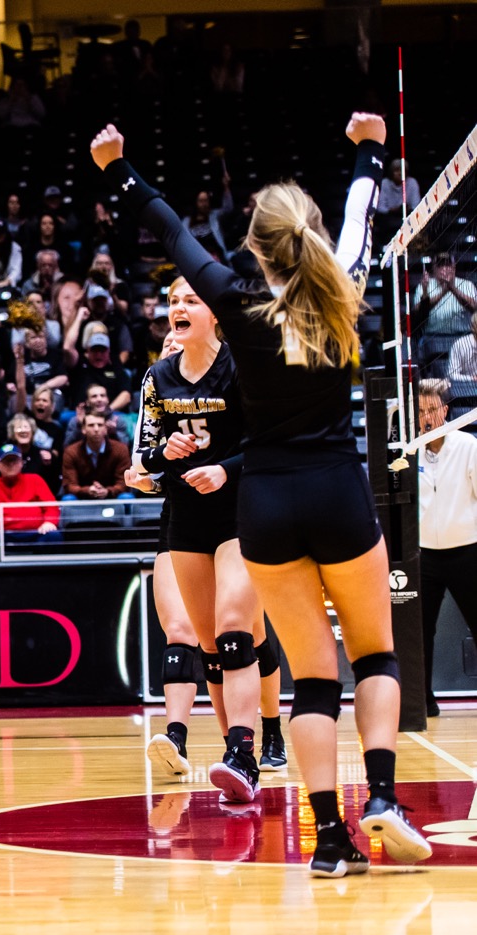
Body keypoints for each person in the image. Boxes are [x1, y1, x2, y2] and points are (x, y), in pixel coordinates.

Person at [92, 113, 431, 876]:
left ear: (255, 242)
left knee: (312, 680)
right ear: (308, 237)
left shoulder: (231, 296)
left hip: (267, 505)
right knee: (374, 654)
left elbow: (169, 229)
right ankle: (381, 795)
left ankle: (330, 840)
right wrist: (369, 150)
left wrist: (116, 166)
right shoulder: (339, 283)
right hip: (336, 490)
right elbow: (359, 216)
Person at [133, 276, 283, 796]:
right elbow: (144, 459)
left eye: (191, 300)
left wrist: (224, 469)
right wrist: (164, 454)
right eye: (173, 301)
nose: (178, 307)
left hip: (242, 510)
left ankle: (245, 751)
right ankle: (234, 757)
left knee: (235, 627)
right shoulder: (158, 378)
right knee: (211, 648)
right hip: (186, 518)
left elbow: (270, 443)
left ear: (215, 313)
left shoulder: (240, 366)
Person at [416, 379, 477, 717]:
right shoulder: (409, 452)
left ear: (446, 410)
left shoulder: (468, 446)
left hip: (467, 550)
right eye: (421, 411)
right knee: (421, 632)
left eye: (432, 409)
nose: (427, 417)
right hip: (425, 556)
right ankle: (423, 700)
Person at [0, 444, 59, 539]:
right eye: (6, 461)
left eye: (14, 460)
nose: (11, 464)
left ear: (21, 462)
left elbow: (51, 507)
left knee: (53, 535)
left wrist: (49, 522)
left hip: (36, 532)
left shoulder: (35, 480)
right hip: (1, 534)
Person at [62, 412, 130, 500]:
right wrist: (87, 490)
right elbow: (69, 485)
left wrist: (107, 491)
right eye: (91, 425)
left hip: (112, 497)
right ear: (83, 429)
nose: (96, 429)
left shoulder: (120, 449)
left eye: (100, 425)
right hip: (82, 497)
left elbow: (124, 483)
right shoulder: (71, 451)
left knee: (126, 497)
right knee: (68, 499)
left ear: (106, 429)